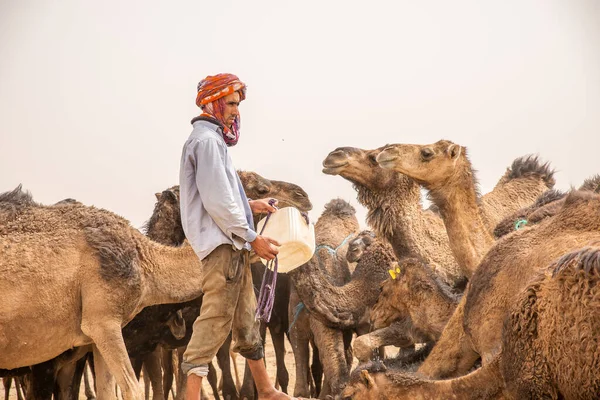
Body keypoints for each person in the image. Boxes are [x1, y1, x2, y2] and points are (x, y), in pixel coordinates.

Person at [179, 73, 293, 400]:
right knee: (214, 321)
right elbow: (217, 201)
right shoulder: (206, 142)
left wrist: (252, 203)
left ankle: (267, 390)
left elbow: (222, 194)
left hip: (232, 246)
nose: (235, 110)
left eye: (237, 104)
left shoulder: (211, 140)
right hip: (223, 248)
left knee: (246, 320)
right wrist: (252, 237)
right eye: (230, 103)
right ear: (212, 102)